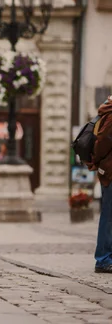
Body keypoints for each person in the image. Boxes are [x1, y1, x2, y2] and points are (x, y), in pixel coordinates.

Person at [87, 95, 112, 273]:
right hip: (111, 172)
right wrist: (99, 163)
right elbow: (103, 142)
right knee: (109, 215)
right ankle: (103, 259)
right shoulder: (111, 115)